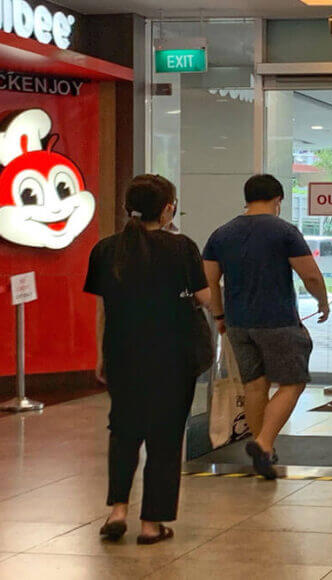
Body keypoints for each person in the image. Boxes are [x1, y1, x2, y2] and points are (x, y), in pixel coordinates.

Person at [85, 175, 211, 545]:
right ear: (168, 207)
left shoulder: (106, 250)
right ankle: (151, 523)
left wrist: (100, 356)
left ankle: (117, 510)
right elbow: (203, 297)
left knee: (123, 432)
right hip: (175, 356)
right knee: (165, 438)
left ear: (129, 208)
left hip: (123, 354)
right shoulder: (182, 247)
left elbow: (103, 310)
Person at [203, 174, 330, 479]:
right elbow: (310, 275)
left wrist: (220, 316)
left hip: (237, 323)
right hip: (278, 321)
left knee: (254, 385)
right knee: (293, 382)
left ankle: (265, 453)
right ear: (277, 200)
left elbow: (209, 280)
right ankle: (262, 442)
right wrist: (323, 302)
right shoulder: (284, 231)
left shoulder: (221, 234)